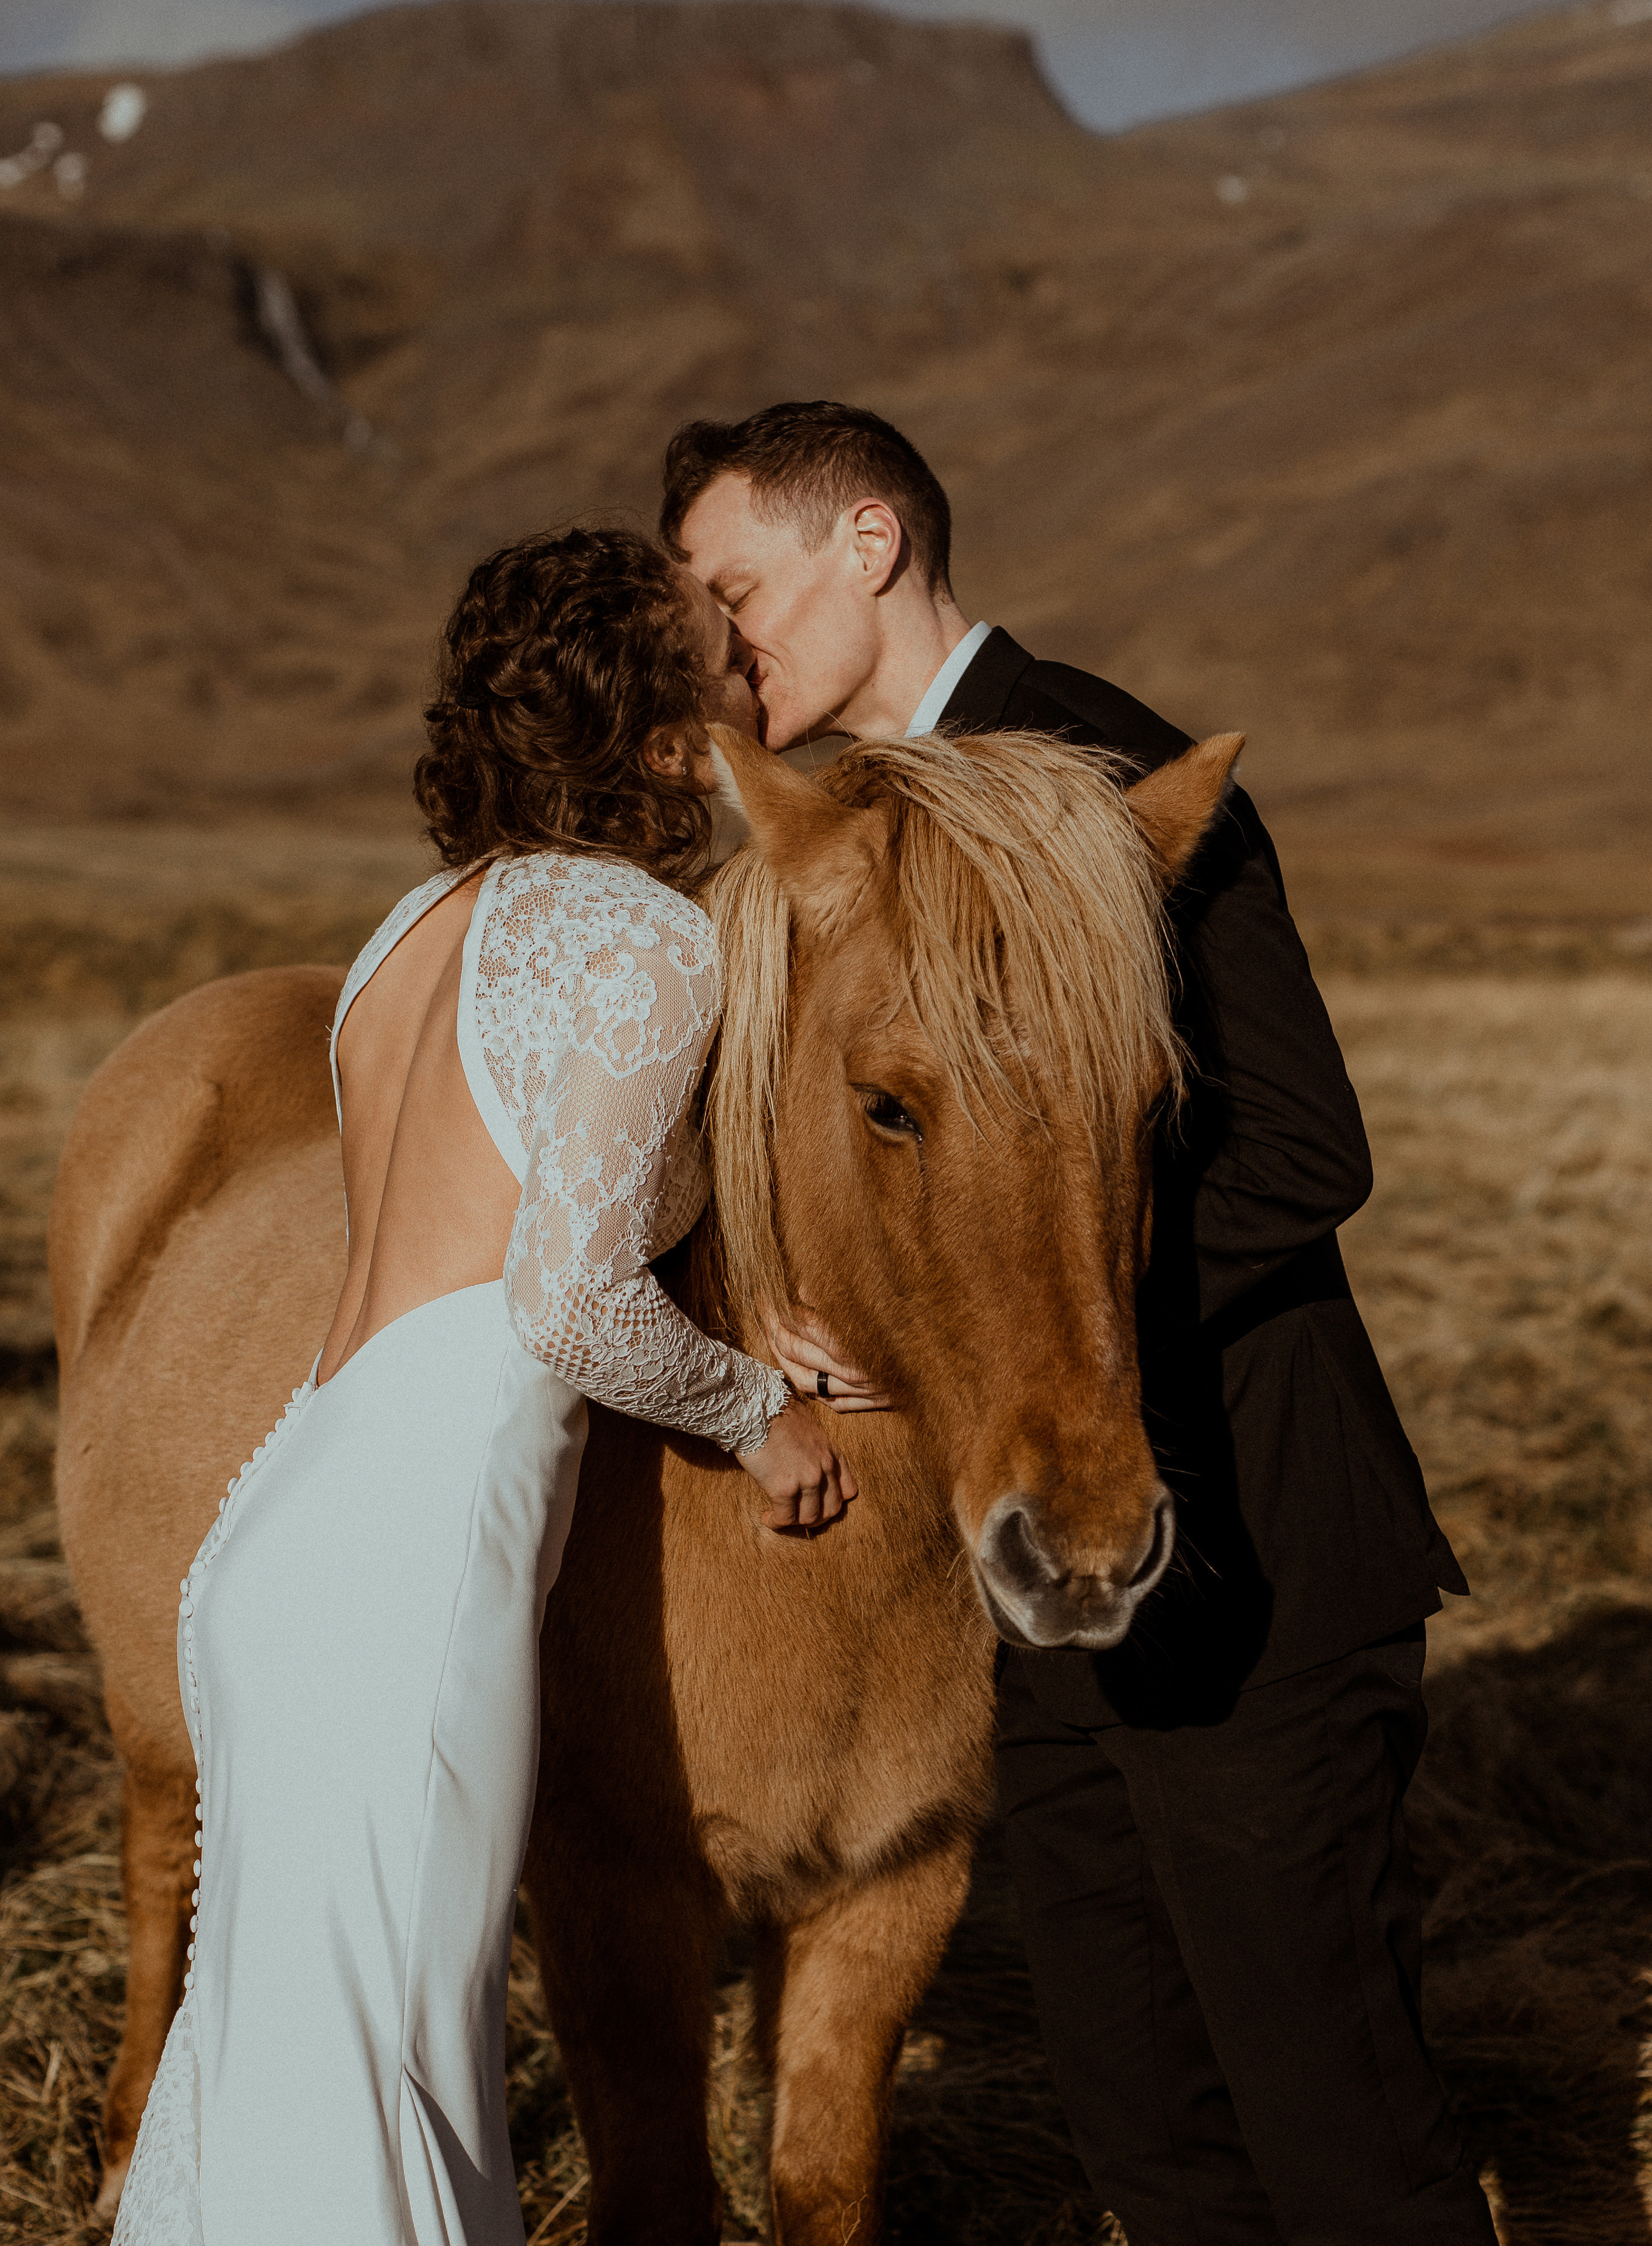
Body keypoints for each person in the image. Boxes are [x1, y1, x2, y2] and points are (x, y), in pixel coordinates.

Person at [661, 403, 1499, 2245]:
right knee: (1145, 2131)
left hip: (1248, 1546)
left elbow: (1302, 1146)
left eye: (739, 590)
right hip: (1042, 1579)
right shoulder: (881, 821)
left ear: (867, 544)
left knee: (1334, 2130)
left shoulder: (1087, 771)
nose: (724, 646)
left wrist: (997, 1303)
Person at [111, 525, 856, 2246]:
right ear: (669, 738)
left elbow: (488, 1221)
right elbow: (570, 1298)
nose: (758, 672)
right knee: (386, 2089)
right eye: (722, 654)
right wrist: (764, 1413)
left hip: (284, 1523)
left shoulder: (411, 930)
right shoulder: (642, 944)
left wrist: (750, 1313)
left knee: (283, 2083)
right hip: (412, 1571)